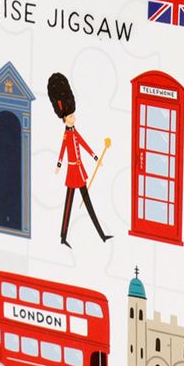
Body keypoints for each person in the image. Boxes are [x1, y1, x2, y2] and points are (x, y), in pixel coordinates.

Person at [47, 73, 112, 248]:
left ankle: (102, 234)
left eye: (73, 115)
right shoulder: (66, 135)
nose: (74, 118)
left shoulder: (74, 132)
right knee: (68, 205)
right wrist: (58, 165)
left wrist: (96, 157)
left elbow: (83, 144)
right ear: (64, 118)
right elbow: (62, 151)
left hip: (79, 170)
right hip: (72, 171)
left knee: (88, 203)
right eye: (71, 117)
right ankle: (63, 236)